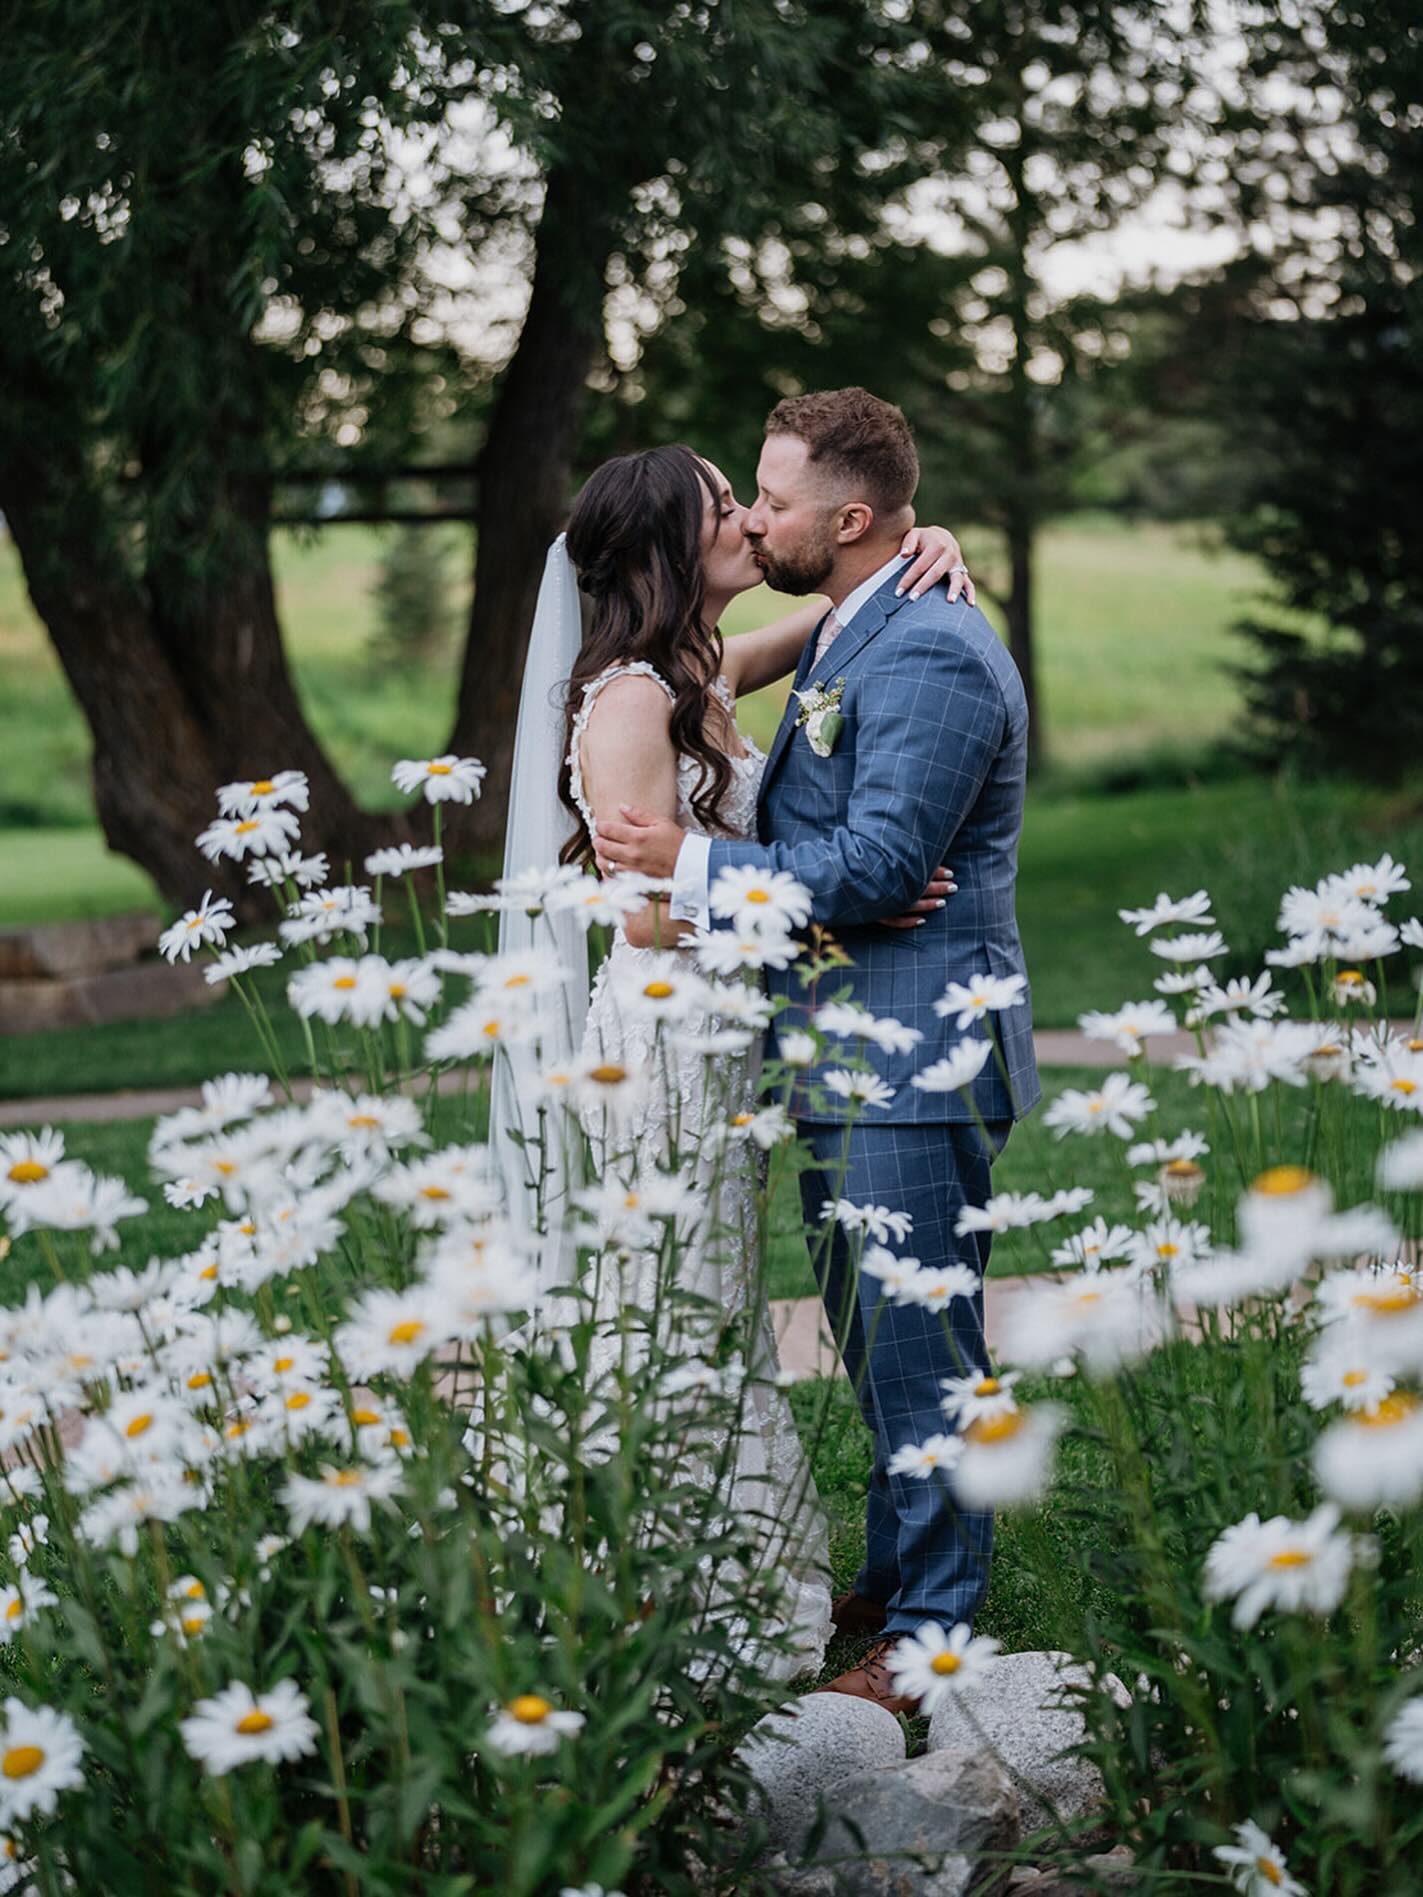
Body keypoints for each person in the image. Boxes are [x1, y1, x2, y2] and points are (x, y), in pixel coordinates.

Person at [594, 389, 1040, 1714]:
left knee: (918, 1346)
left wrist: (695, 861)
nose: (751, 516)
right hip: (852, 1045)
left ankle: (928, 1642)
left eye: (772, 500)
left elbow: (881, 864)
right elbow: (844, 856)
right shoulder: (858, 621)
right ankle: (901, 1570)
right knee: (878, 1339)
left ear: (848, 520)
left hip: (915, 1051)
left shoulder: (928, 654)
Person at [515, 440, 970, 1684]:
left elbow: (835, 638)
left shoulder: (695, 671)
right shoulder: (627, 702)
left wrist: (925, 541)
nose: (752, 523)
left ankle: (719, 1589)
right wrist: (845, 908)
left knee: (705, 1315)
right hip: (660, 1052)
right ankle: (692, 1603)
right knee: (680, 1319)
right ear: (675, 542)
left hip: (719, 1045)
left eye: (754, 501)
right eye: (728, 506)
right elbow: (652, 917)